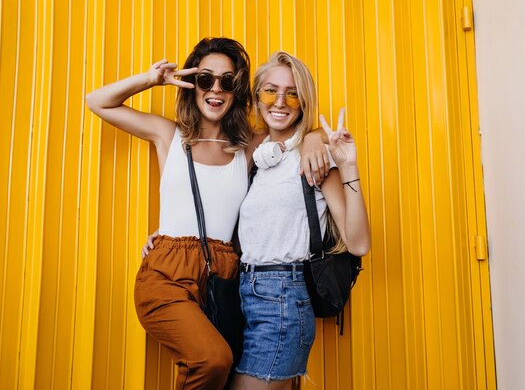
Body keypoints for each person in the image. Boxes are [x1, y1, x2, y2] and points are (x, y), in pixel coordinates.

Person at [86, 38, 328, 390]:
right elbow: (97, 102)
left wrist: (315, 139)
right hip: (167, 275)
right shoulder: (168, 135)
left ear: (237, 90)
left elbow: (294, 128)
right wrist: (151, 79)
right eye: (205, 79)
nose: (216, 89)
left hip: (224, 278)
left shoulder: (247, 148)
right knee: (212, 359)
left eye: (227, 81)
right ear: (192, 85)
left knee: (232, 373)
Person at [230, 52, 371, 390]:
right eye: (270, 91)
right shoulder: (253, 154)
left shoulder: (315, 162)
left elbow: (360, 243)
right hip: (243, 299)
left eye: (292, 93)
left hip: (283, 301)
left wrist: (347, 165)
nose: (280, 102)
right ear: (256, 97)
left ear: (303, 101)